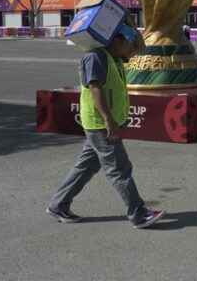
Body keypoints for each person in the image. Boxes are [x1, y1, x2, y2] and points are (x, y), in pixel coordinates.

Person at [46, 25, 165, 229]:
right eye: (132, 48)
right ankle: (138, 214)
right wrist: (109, 122)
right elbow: (95, 89)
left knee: (86, 166)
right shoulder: (96, 57)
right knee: (119, 168)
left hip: (103, 123)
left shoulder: (114, 58)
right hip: (100, 124)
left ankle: (58, 205)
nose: (133, 54)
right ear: (118, 41)